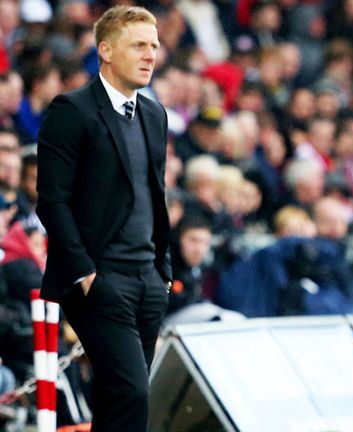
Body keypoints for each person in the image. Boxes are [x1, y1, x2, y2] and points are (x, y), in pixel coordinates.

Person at [36, 6, 171, 431]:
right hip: (101, 279)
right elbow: (51, 201)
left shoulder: (154, 114)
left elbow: (155, 193)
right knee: (132, 394)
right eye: (139, 46)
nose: (150, 55)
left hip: (147, 279)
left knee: (117, 400)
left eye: (154, 46)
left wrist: (161, 270)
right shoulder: (71, 110)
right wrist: (85, 273)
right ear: (106, 51)